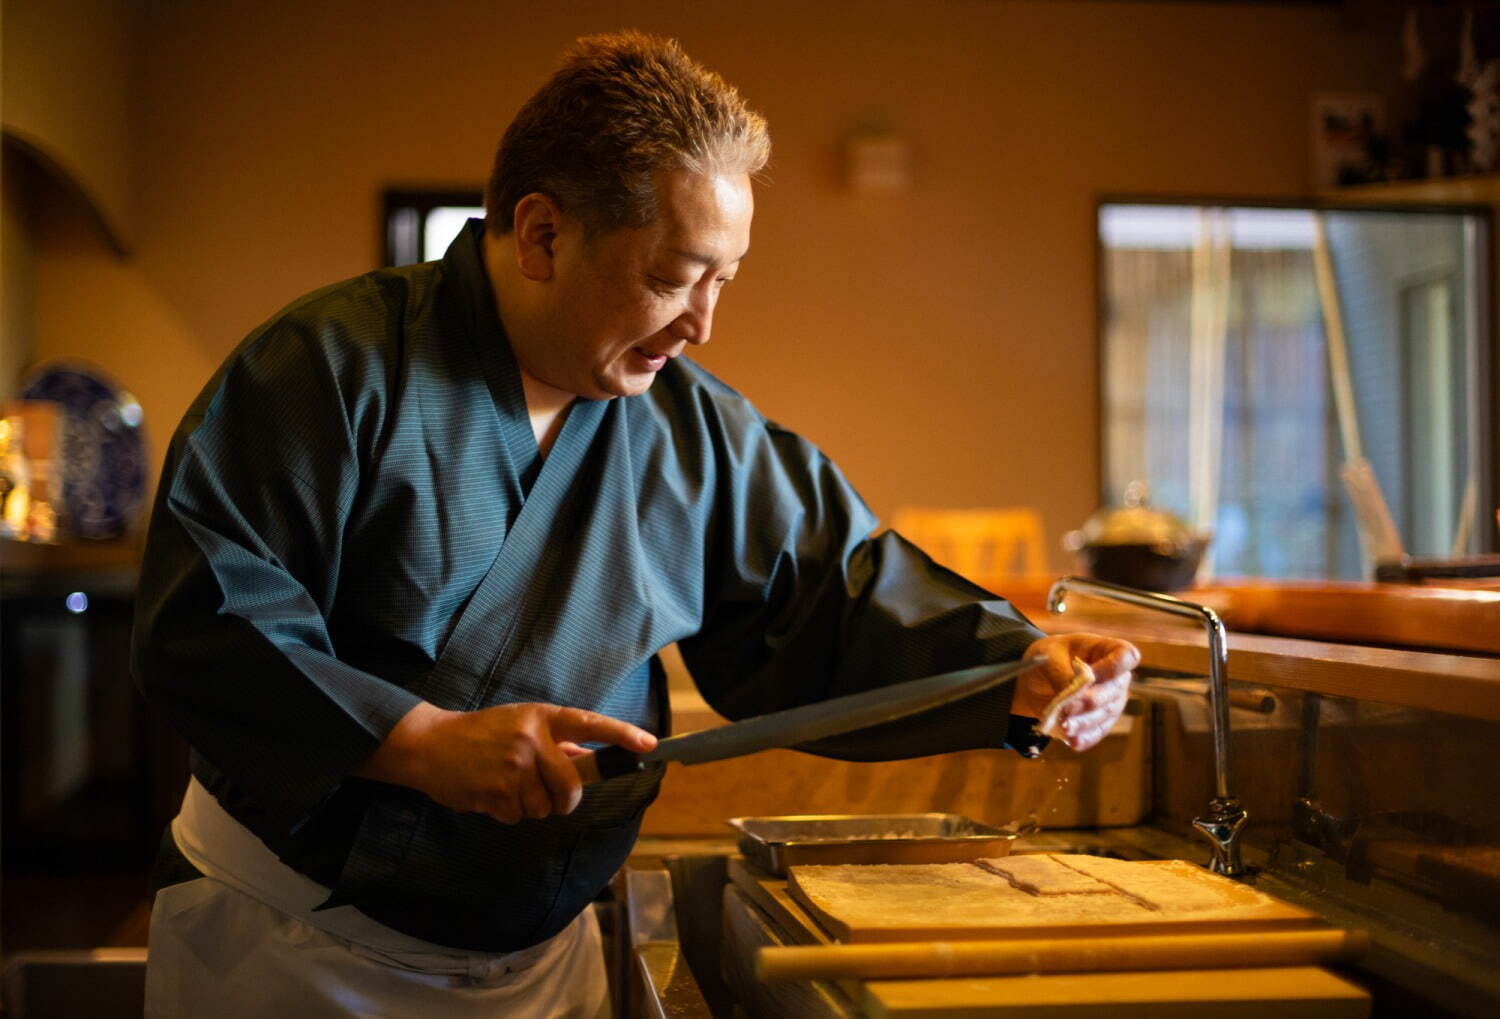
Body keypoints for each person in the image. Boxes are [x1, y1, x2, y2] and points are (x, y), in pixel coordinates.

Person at [132, 30, 1137, 1018]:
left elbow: (832, 596)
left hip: (545, 958)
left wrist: (1017, 669)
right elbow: (210, 615)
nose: (702, 322)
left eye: (722, 279)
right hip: (297, 947)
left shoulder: (692, 427)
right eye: (673, 275)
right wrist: (419, 740)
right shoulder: (331, 366)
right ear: (541, 235)